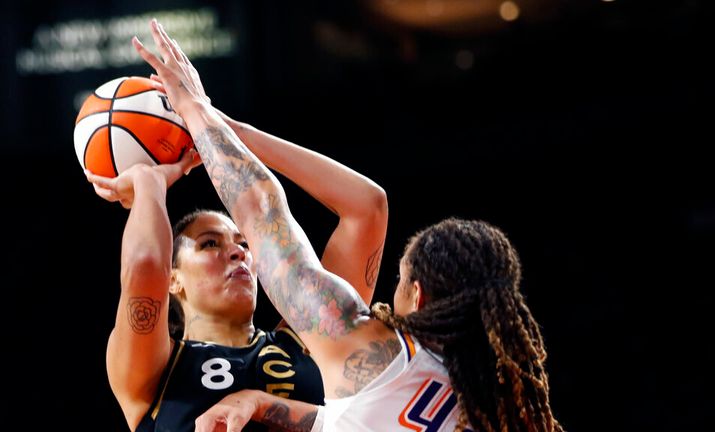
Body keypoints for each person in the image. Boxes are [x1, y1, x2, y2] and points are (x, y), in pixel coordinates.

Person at [135, 19, 562, 432]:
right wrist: (260, 402)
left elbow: (261, 211)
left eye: (399, 281)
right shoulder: (502, 402)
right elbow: (357, 420)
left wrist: (195, 110)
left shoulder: (374, 354)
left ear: (418, 296)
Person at [85, 58, 388, 432]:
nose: (238, 251)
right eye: (209, 243)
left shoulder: (311, 337)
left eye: (244, 243)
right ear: (173, 278)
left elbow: (367, 208)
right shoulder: (155, 369)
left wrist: (224, 129)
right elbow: (146, 265)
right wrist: (150, 183)